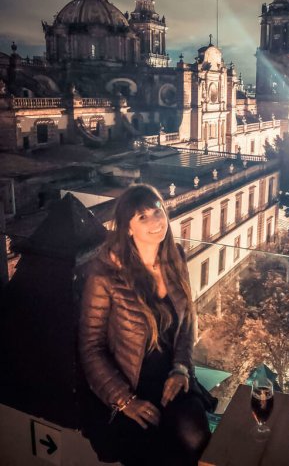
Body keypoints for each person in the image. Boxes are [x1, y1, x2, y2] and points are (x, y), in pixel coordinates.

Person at [79, 184, 211, 466]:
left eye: (157, 210)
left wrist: (181, 368)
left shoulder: (175, 257)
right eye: (142, 217)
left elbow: (187, 322)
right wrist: (125, 400)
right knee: (150, 452)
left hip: (173, 379)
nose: (156, 221)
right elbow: (91, 347)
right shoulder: (105, 274)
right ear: (128, 228)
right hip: (130, 386)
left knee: (196, 437)